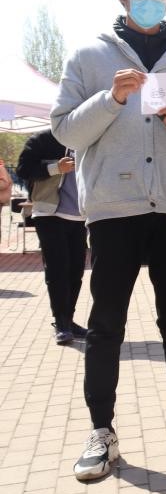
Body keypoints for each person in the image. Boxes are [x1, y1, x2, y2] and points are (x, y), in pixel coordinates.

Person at [52, 0, 166, 480]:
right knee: (106, 323)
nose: (150, 0)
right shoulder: (89, 56)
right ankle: (101, 432)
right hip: (113, 208)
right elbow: (65, 131)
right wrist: (111, 98)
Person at [16, 130, 88, 344]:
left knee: (76, 271)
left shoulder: (87, 136)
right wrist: (56, 168)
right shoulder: (43, 139)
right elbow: (23, 169)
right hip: (49, 213)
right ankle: (61, 323)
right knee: (58, 270)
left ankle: (69, 320)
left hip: (80, 215)